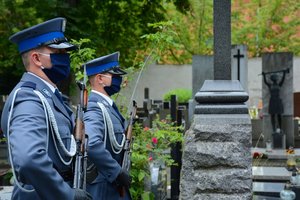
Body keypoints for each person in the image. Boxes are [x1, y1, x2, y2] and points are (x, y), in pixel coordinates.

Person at [1, 18, 92, 200]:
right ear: (36, 58)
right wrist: (67, 195)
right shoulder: (29, 98)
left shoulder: (48, 96)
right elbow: (29, 159)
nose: (65, 57)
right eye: (58, 52)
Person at [83, 52, 131, 200]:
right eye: (114, 75)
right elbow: (91, 143)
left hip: (113, 188)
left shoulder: (107, 106)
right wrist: (116, 172)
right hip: (104, 189)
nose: (119, 79)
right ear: (100, 79)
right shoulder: (94, 107)